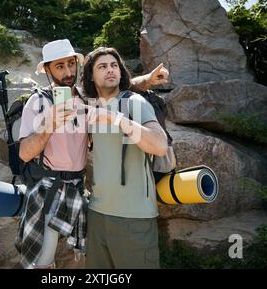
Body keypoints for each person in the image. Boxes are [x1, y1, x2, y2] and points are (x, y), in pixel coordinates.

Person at [15, 39, 169, 269]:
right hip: (49, 189)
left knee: (84, 256)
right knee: (42, 261)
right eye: (59, 66)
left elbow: (113, 89)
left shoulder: (86, 100)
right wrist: (49, 126)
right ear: (47, 69)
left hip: (79, 191)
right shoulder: (37, 102)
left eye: (70, 64)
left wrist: (145, 81)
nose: (67, 72)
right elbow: (24, 154)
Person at [81, 47, 169, 269]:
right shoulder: (90, 107)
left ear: (121, 72)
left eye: (114, 66)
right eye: (102, 67)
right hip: (97, 215)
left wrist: (118, 120)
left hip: (134, 218)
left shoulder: (134, 103)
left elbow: (159, 146)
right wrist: (147, 79)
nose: (110, 70)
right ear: (91, 75)